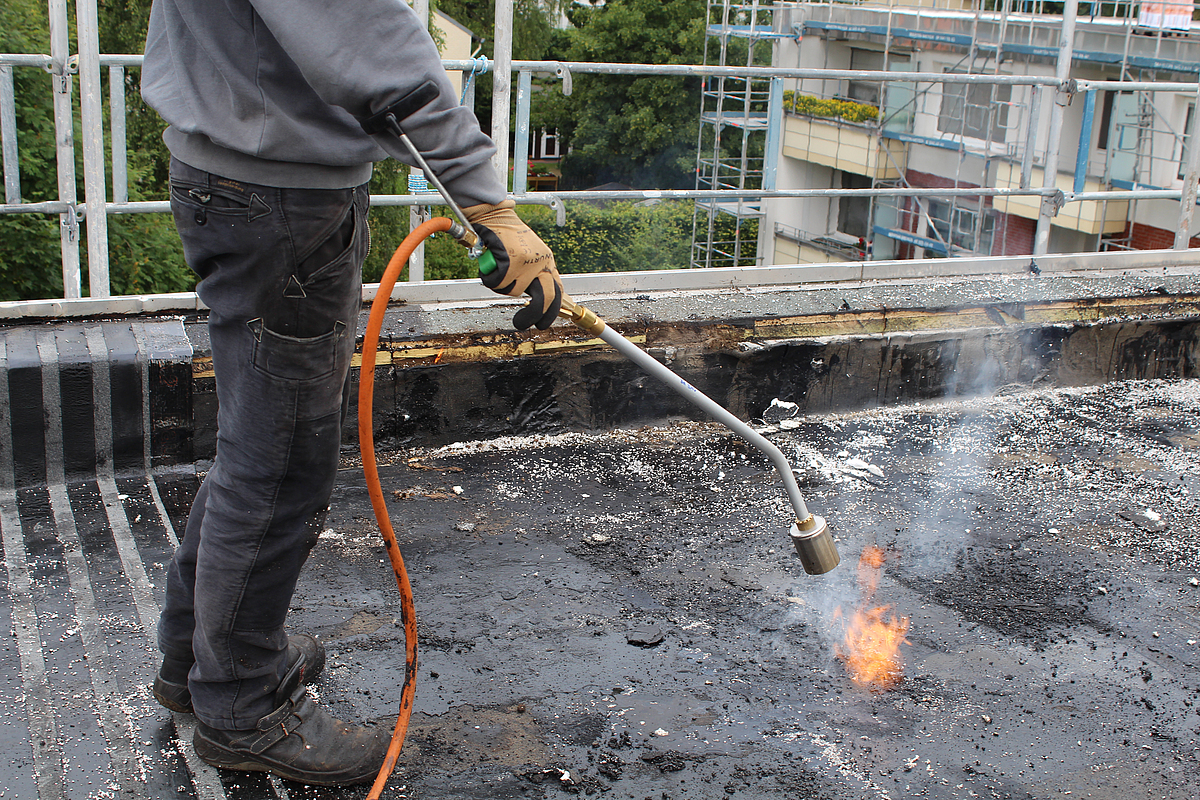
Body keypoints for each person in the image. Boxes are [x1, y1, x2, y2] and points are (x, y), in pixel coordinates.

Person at [141, 0, 564, 787]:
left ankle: (194, 655)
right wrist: (485, 200)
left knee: (256, 451)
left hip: (234, 168)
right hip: (279, 196)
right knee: (279, 466)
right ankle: (240, 704)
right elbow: (365, 34)